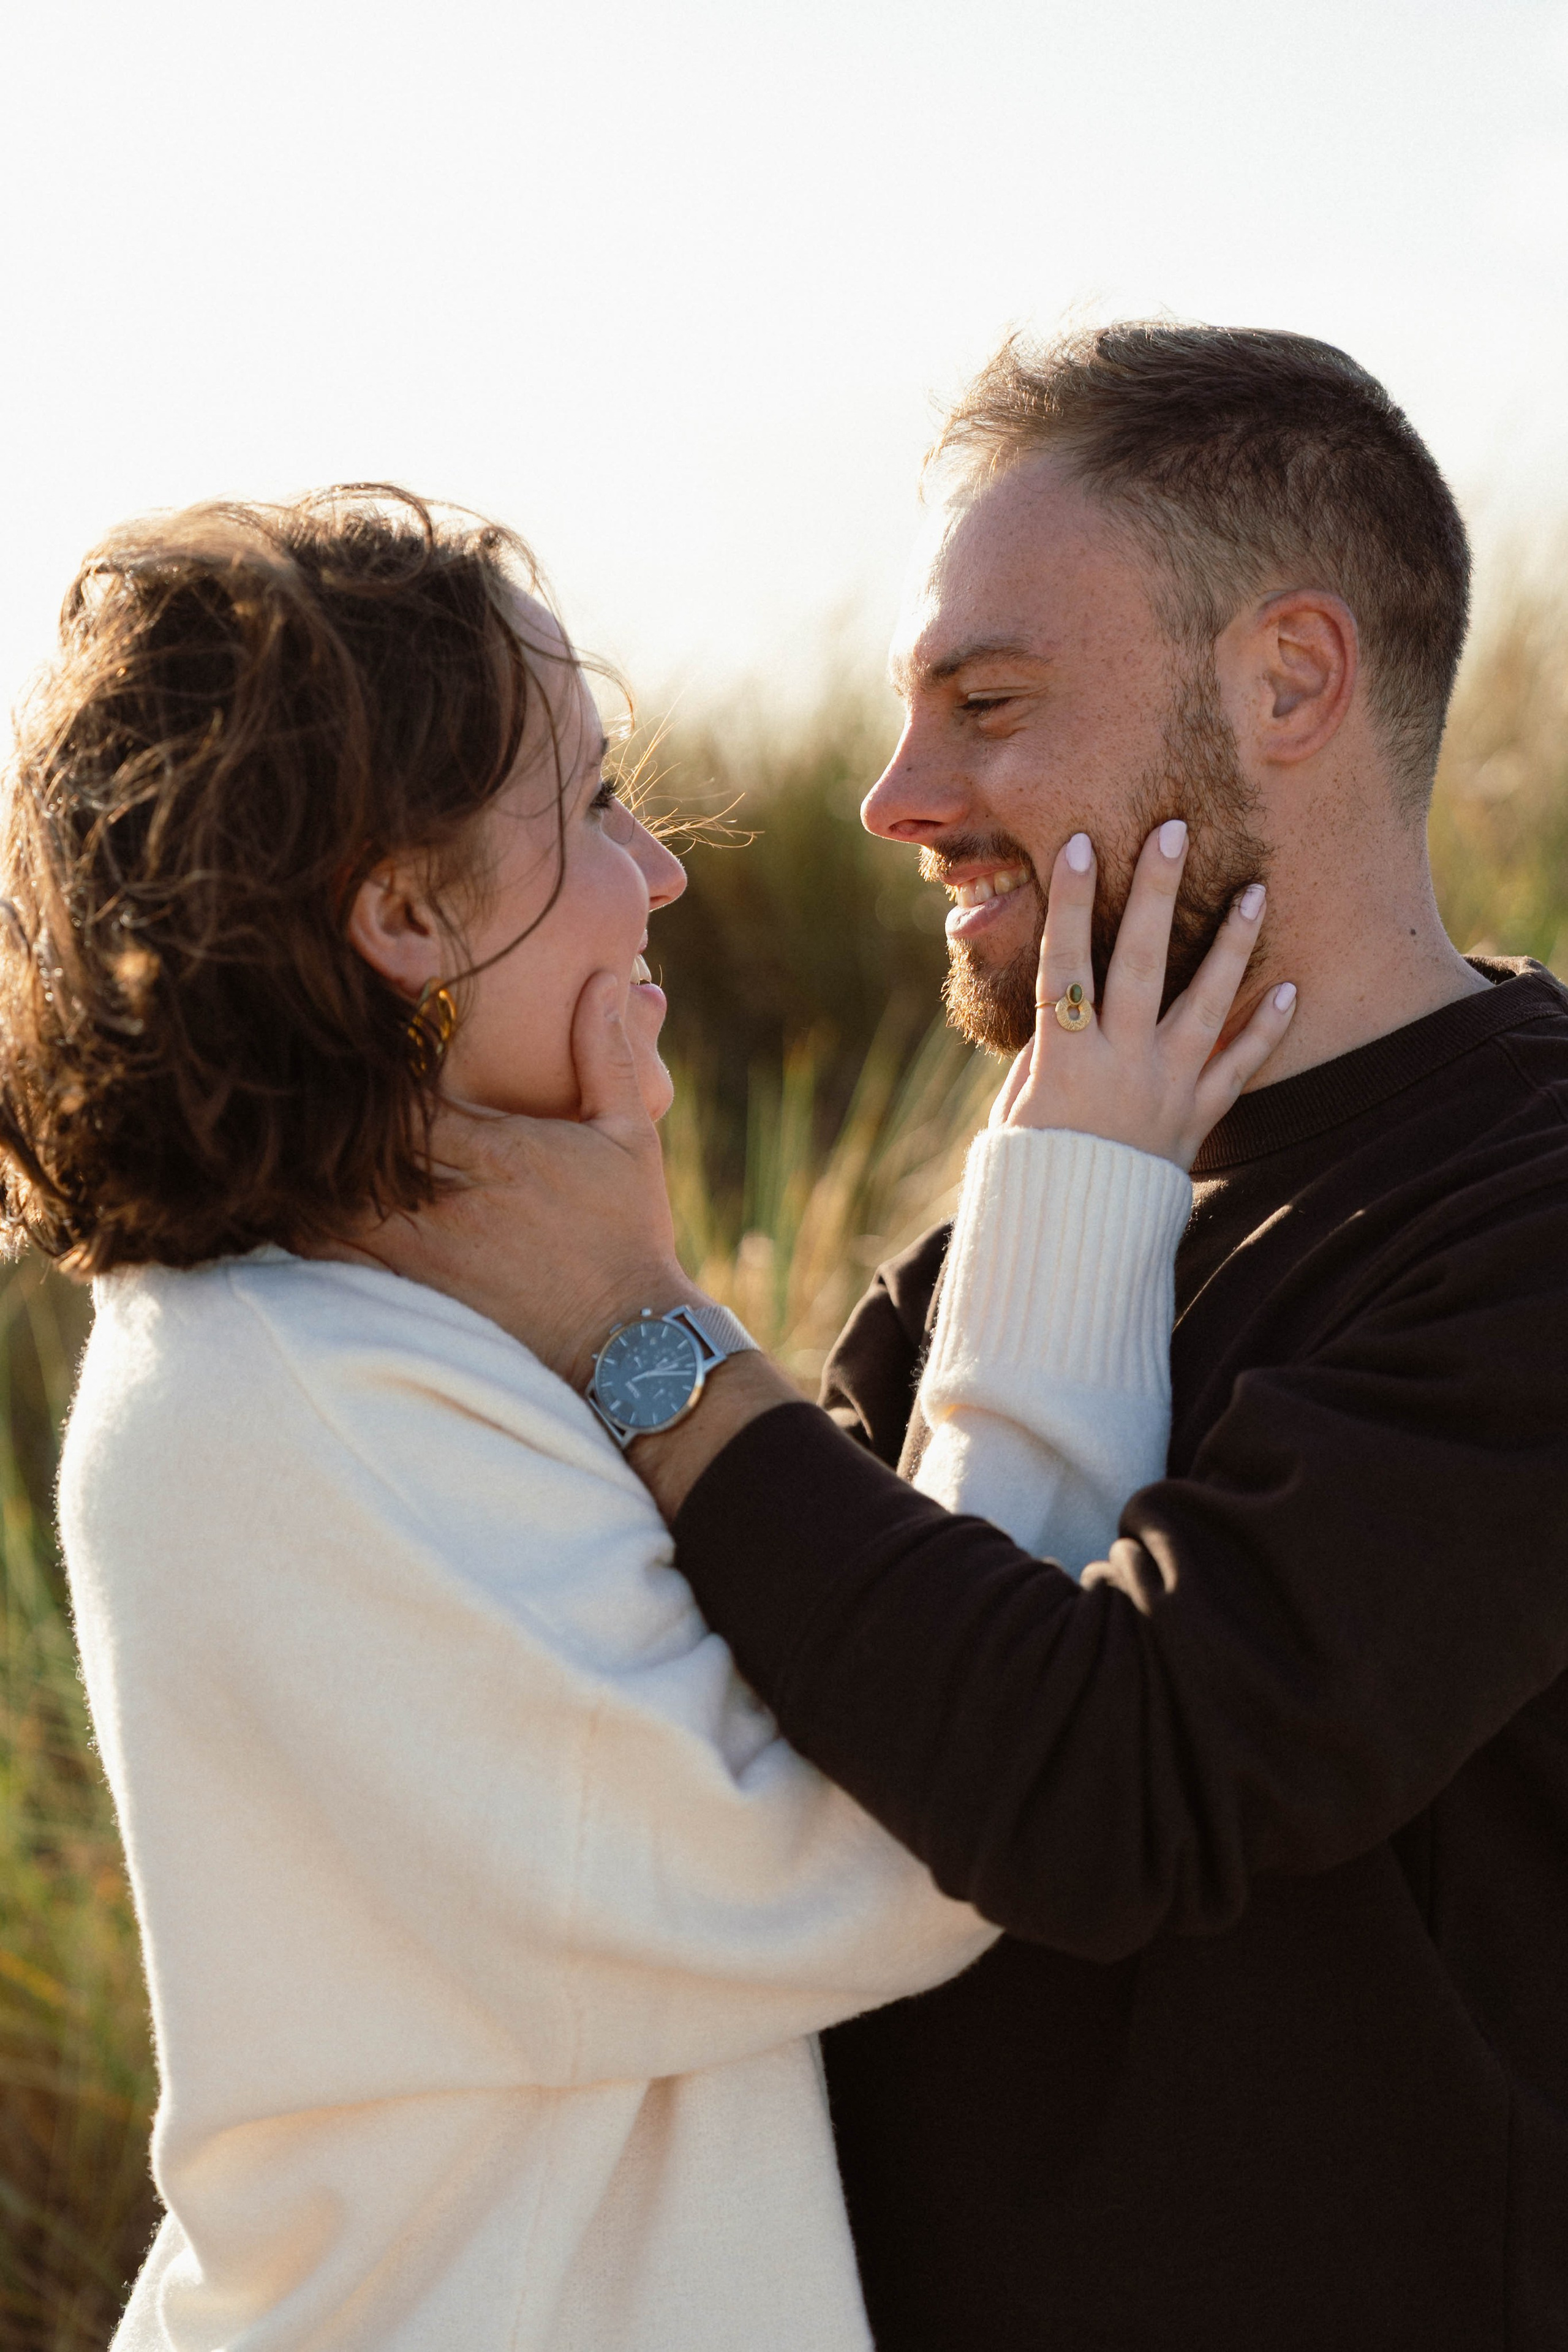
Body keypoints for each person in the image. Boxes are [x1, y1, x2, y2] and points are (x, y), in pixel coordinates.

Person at [366, 327, 1568, 2351]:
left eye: (988, 705)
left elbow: (1126, 1779)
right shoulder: (1004, 1242)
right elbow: (765, 1775)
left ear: (1291, 680)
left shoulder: (1527, 1209)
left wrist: (643, 1330)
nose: (896, 797)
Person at [0, 486, 1284, 2350]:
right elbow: (889, 1837)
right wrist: (1076, 1182)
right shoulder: (291, 1395)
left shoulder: (364, 1340)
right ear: (410, 917)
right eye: (591, 805)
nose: (661, 871)